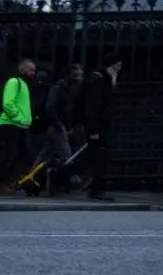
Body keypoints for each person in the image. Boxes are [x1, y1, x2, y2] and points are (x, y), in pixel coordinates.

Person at [39, 63, 83, 195]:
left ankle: (32, 181)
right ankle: (74, 182)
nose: (79, 78)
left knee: (44, 156)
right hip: (57, 127)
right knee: (66, 155)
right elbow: (51, 108)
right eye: (76, 75)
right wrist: (60, 125)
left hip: (58, 126)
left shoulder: (67, 88)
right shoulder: (59, 88)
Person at [0, 58, 36, 195]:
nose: (33, 73)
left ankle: (10, 182)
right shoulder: (14, 82)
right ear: (22, 70)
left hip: (20, 126)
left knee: (22, 155)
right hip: (10, 124)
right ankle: (2, 184)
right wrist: (18, 117)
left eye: (33, 70)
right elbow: (7, 103)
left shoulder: (24, 85)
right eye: (30, 70)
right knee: (10, 155)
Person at [79, 61, 119, 201]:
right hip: (97, 128)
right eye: (117, 66)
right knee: (98, 159)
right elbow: (93, 106)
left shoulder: (102, 80)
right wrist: (94, 129)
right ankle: (96, 190)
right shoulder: (99, 79)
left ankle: (59, 174)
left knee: (93, 158)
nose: (119, 70)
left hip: (100, 127)